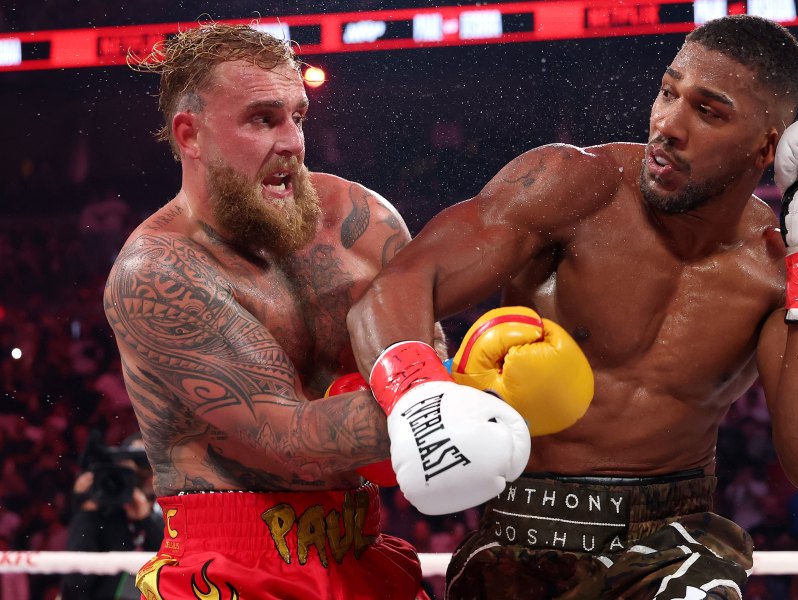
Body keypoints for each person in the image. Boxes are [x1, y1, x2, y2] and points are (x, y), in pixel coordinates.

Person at [349, 15, 798, 599]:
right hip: (523, 524)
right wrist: (419, 397)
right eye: (669, 92)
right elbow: (401, 283)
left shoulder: (777, 269)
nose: (669, 125)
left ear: (767, 146)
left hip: (675, 538)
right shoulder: (574, 186)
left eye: (708, 111)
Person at [104, 22, 529, 599]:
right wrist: (454, 408)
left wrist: (460, 385)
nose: (292, 142)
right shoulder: (159, 271)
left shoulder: (359, 219)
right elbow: (288, 439)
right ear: (191, 135)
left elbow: (420, 353)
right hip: (229, 568)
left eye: (297, 116)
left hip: (366, 550)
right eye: (262, 119)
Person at [61, 433, 163, 600]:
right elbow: (76, 583)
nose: (136, 479)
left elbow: (173, 563)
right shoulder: (97, 516)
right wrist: (85, 508)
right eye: (129, 472)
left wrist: (146, 520)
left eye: (144, 468)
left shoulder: (167, 512)